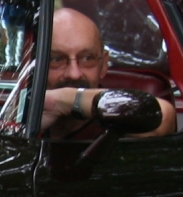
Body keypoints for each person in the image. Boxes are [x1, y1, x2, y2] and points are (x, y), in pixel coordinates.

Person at [40, 8, 175, 138]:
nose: (74, 74)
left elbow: (164, 116)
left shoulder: (117, 120)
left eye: (88, 58)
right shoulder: (21, 115)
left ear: (104, 65)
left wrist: (57, 101)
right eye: (56, 59)